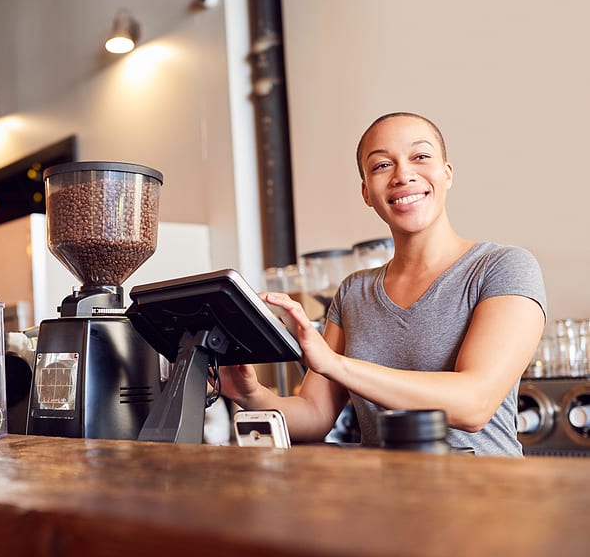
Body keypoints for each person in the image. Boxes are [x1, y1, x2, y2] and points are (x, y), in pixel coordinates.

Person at [220, 112, 547, 456]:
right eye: (381, 166)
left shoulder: (503, 267)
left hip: (486, 499)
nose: (403, 175)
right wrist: (250, 394)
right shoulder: (353, 292)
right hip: (384, 498)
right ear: (366, 192)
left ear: (447, 174)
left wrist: (335, 363)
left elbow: (474, 404)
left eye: (420, 157)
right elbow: (315, 415)